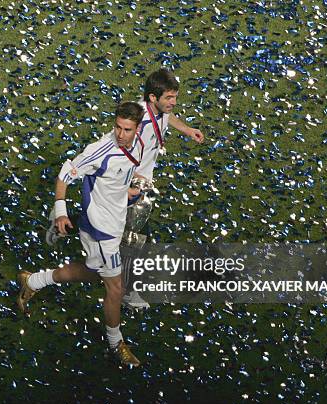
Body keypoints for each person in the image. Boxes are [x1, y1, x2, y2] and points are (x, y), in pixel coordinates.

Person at [17, 102, 145, 367]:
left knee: (94, 271)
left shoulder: (138, 145)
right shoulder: (100, 151)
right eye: (118, 128)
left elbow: (115, 177)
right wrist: (61, 211)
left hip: (114, 223)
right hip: (99, 230)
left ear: (137, 129)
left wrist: (126, 191)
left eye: (127, 129)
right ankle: (115, 342)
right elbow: (64, 176)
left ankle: (33, 281)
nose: (121, 134)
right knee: (115, 286)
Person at [121, 69, 205, 309]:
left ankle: (64, 222)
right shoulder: (138, 121)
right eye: (169, 98)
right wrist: (132, 179)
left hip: (139, 185)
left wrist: (187, 130)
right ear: (152, 97)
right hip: (130, 186)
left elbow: (168, 118)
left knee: (111, 229)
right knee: (137, 242)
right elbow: (120, 151)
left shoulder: (158, 111)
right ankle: (128, 293)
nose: (173, 102)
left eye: (175, 97)